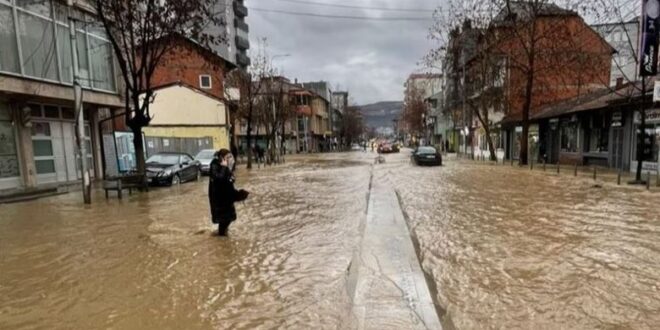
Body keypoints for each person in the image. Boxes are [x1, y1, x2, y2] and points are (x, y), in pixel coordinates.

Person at [208, 149, 249, 236]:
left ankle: (222, 236)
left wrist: (238, 194)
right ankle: (221, 240)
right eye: (228, 157)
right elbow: (219, 180)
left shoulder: (227, 167)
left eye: (230, 156)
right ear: (221, 158)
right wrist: (224, 167)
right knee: (223, 220)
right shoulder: (214, 166)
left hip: (226, 198)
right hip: (219, 200)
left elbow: (229, 183)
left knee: (228, 219)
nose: (230, 159)